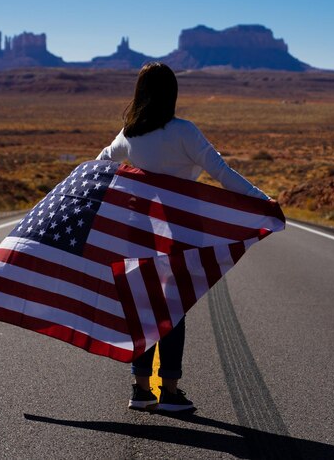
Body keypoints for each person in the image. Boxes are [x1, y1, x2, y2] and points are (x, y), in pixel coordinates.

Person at [96, 62, 272, 412]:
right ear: (171, 93)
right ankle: (171, 391)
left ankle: (141, 389)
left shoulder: (129, 134)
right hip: (177, 233)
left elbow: (98, 166)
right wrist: (262, 201)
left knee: (142, 306)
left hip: (137, 232)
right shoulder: (184, 132)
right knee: (172, 310)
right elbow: (222, 172)